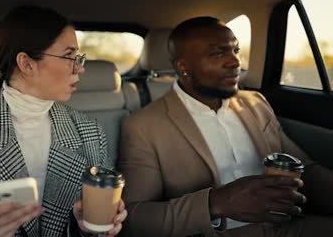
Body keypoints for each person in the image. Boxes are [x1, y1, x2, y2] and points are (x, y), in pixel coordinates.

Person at [118, 16, 333, 237]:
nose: (235, 62)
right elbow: (134, 218)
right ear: (184, 67)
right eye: (218, 53)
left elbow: (305, 167)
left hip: (284, 227)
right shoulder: (143, 126)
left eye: (235, 50)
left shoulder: (255, 103)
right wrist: (215, 204)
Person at [0, 5, 127, 237]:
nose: (80, 68)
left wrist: (84, 228)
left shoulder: (90, 132)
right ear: (27, 63)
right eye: (68, 56)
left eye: (78, 56)